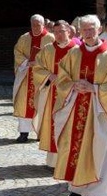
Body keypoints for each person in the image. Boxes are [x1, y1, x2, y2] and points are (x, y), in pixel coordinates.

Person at [52, 15, 107, 196]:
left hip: (99, 111)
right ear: (80, 31)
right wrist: (73, 85)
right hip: (76, 107)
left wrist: (93, 88)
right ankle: (75, 190)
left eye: (92, 28)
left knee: (98, 150)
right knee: (74, 150)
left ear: (99, 29)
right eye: (84, 29)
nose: (88, 33)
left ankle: (93, 195)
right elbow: (62, 77)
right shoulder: (74, 54)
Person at [31, 20, 77, 168]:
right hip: (52, 93)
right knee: (53, 124)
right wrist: (49, 76)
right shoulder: (48, 49)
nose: (58, 35)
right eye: (56, 32)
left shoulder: (76, 50)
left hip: (71, 94)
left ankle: (67, 161)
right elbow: (37, 68)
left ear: (69, 31)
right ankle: (53, 162)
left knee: (68, 125)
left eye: (61, 31)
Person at [13, 14, 55, 142]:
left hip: (42, 77)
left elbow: (54, 55)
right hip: (26, 76)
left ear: (43, 25)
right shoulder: (24, 38)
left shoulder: (50, 38)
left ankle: (41, 133)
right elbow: (17, 52)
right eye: (33, 25)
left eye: (38, 25)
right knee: (23, 104)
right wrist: (26, 62)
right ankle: (24, 133)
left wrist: (40, 63)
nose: (36, 27)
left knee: (42, 104)